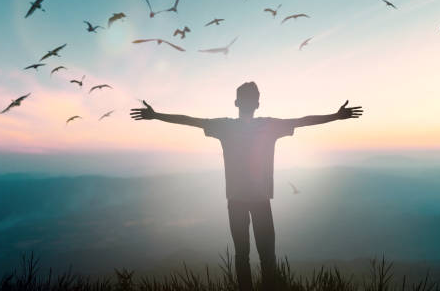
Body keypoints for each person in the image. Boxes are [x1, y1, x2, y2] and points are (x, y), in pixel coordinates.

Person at [130, 82, 363, 290]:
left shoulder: (225, 126)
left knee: (242, 256)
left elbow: (190, 120)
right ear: (258, 104)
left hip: (236, 202)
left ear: (236, 102)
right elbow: (303, 121)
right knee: (267, 257)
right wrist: (335, 115)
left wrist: (156, 115)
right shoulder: (269, 126)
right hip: (260, 201)